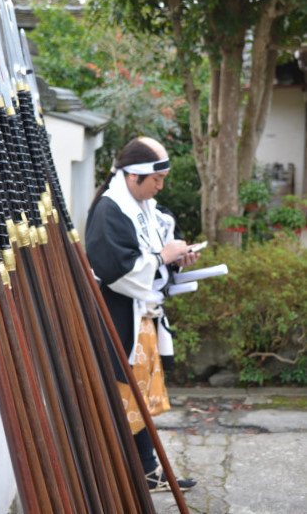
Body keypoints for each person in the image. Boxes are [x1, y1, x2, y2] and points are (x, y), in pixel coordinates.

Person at [85, 136, 199, 493]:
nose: (160, 186)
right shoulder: (110, 209)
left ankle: (147, 471)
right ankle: (124, 473)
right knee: (124, 399)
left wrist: (178, 255)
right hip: (119, 317)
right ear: (134, 176)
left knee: (137, 400)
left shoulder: (144, 205)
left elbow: (162, 237)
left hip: (141, 318)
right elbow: (117, 271)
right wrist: (164, 257)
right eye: (157, 179)